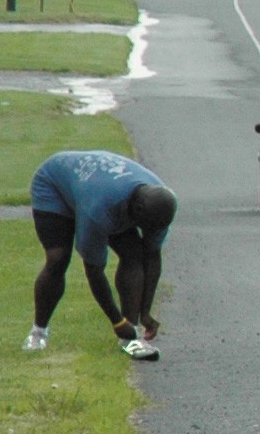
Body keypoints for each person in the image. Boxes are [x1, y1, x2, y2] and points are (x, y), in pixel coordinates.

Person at [27, 150, 176, 358]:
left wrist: (146, 313)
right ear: (137, 210)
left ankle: (131, 339)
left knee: (134, 254)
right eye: (146, 226)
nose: (150, 231)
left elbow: (151, 257)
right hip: (54, 185)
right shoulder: (99, 211)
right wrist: (117, 321)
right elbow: (94, 271)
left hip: (107, 194)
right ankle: (38, 332)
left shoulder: (160, 203)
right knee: (58, 258)